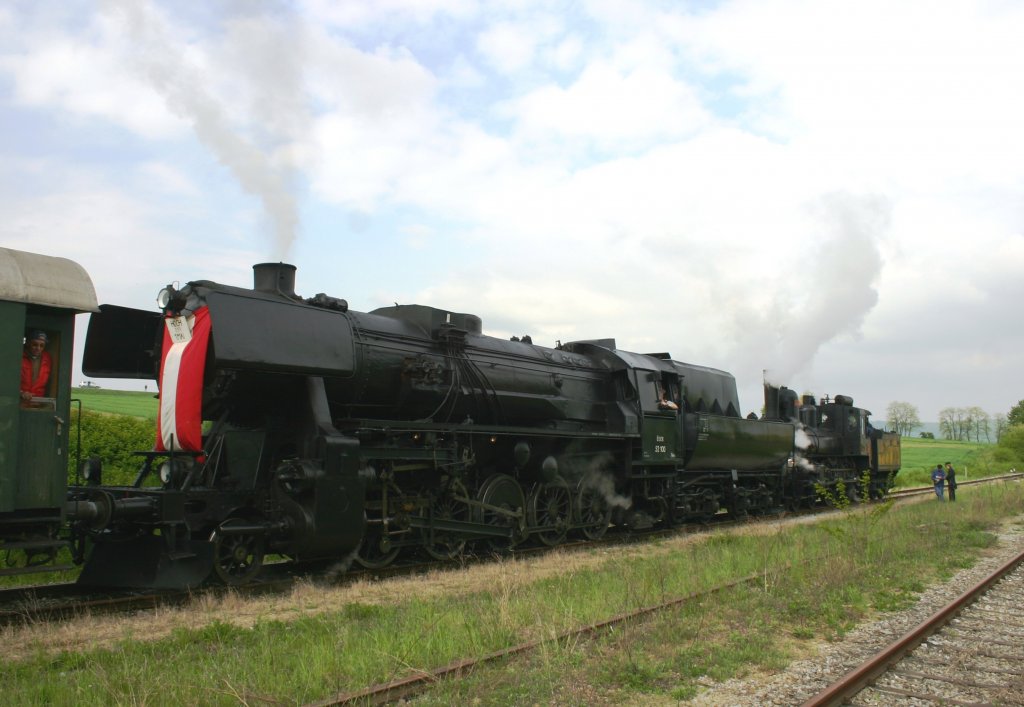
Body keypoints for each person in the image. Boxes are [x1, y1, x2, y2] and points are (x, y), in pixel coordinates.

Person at [20, 330, 52, 402]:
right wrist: (21, 393)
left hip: (38, 403)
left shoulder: (47, 359)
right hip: (19, 401)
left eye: (42, 346)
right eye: (35, 344)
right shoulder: (19, 356)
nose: (38, 348)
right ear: (28, 343)